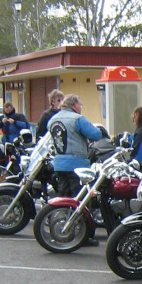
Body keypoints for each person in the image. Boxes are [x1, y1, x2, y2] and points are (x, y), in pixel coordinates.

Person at [46, 95, 104, 247]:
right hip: (77, 165)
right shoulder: (77, 119)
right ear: (74, 105)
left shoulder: (53, 119)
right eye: (80, 104)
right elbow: (96, 134)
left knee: (63, 200)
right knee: (81, 201)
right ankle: (83, 235)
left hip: (59, 164)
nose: (81, 107)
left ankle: (63, 231)